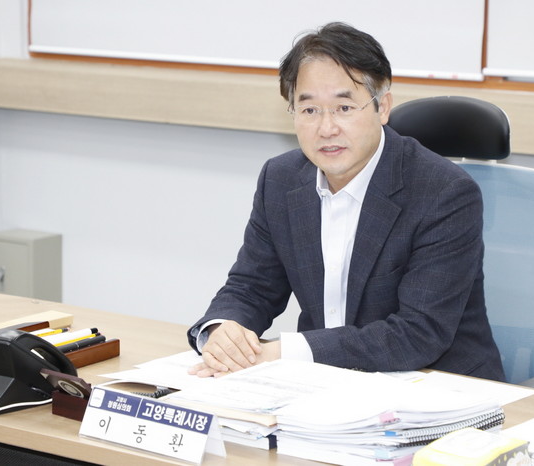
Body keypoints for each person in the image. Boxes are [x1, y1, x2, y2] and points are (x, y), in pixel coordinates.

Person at [187, 22, 504, 381]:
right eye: (309, 110)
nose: (326, 128)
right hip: (330, 384)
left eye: (344, 107)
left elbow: (418, 333)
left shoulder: (445, 193)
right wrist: (223, 331)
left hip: (442, 388)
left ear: (382, 107)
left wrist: (283, 353)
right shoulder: (280, 179)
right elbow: (252, 286)